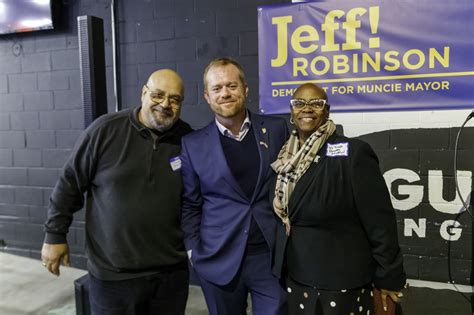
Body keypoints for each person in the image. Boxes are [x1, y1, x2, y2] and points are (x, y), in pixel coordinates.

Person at [41, 69, 193, 315]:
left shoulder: (189, 140)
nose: (165, 104)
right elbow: (69, 183)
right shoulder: (105, 131)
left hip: (170, 276)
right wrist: (54, 236)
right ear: (144, 93)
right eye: (158, 95)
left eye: (174, 99)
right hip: (114, 277)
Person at [271, 83, 406, 314]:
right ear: (291, 111)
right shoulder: (284, 156)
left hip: (341, 283)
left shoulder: (353, 152)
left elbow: (380, 222)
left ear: (327, 110)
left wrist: (388, 276)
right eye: (299, 103)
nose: (307, 109)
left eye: (316, 103)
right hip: (296, 275)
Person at [180, 57, 289, 315]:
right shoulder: (193, 144)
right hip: (218, 260)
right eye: (217, 89)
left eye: (232, 86)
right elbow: (190, 204)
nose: (225, 93)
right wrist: (194, 251)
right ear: (207, 96)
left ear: (245, 89)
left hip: (268, 259)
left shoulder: (276, 129)